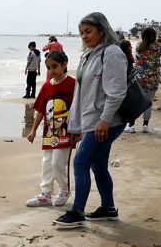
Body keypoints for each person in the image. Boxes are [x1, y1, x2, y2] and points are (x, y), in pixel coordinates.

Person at [54, 12, 127, 228]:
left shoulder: (112, 53)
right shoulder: (88, 54)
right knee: (98, 166)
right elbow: (81, 93)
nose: (84, 36)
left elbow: (117, 92)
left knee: (80, 162)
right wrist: (75, 124)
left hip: (107, 122)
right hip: (93, 121)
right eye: (81, 33)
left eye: (89, 32)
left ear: (102, 31)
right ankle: (108, 208)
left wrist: (104, 120)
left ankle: (77, 212)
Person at [25, 51, 76, 208]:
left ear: (64, 64)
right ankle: (45, 194)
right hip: (48, 133)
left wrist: (78, 130)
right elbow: (40, 109)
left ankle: (64, 190)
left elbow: (78, 108)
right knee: (46, 163)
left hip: (66, 133)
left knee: (58, 163)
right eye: (48, 67)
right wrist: (33, 130)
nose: (51, 71)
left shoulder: (73, 84)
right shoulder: (47, 86)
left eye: (55, 66)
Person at [127, 27, 161, 133]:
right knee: (149, 102)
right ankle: (145, 126)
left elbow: (136, 61)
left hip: (139, 78)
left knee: (136, 102)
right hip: (152, 79)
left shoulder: (138, 46)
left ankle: (131, 126)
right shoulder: (158, 47)